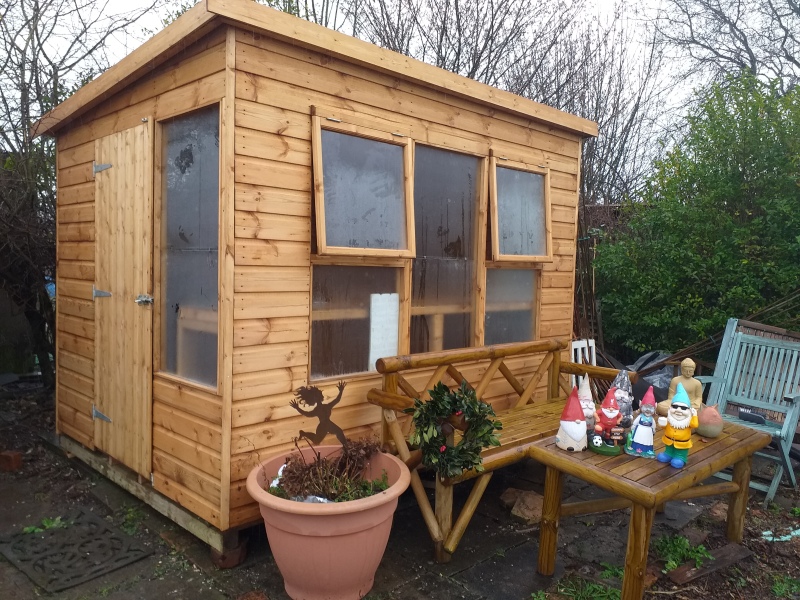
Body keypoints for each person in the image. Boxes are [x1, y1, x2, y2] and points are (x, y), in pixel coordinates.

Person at [656, 383, 699, 468]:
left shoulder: (688, 422)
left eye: (683, 408)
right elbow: (665, 427)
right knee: (668, 450)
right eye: (675, 406)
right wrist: (662, 424)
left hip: (682, 445)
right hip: (669, 442)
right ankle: (668, 454)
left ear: (689, 410)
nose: (678, 410)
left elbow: (695, 424)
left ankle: (680, 458)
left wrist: (694, 416)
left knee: (678, 458)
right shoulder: (670, 420)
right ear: (670, 408)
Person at [625, 386, 657, 458]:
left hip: (648, 432)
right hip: (639, 431)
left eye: (650, 408)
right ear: (641, 406)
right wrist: (633, 427)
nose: (648, 410)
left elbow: (653, 425)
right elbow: (635, 423)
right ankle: (636, 448)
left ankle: (647, 449)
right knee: (638, 439)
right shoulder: (640, 417)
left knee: (647, 441)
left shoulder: (652, 419)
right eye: (645, 407)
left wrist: (653, 430)